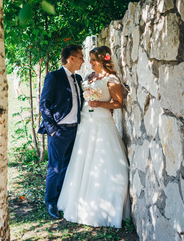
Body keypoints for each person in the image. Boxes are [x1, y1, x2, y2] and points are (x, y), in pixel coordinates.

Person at [57, 46, 129, 228]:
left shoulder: (111, 79)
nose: (89, 63)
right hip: (86, 123)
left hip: (101, 122)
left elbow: (118, 103)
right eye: (88, 59)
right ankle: (80, 201)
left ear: (103, 60)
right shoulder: (90, 77)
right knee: (83, 161)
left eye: (93, 60)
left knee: (103, 161)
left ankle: (102, 205)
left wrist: (99, 103)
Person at [38, 44, 84, 219]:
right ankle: (51, 201)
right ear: (71, 58)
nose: (83, 61)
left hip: (76, 130)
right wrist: (52, 130)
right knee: (55, 168)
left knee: (67, 167)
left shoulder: (78, 78)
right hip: (59, 131)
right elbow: (44, 104)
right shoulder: (54, 77)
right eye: (81, 57)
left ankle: (62, 199)